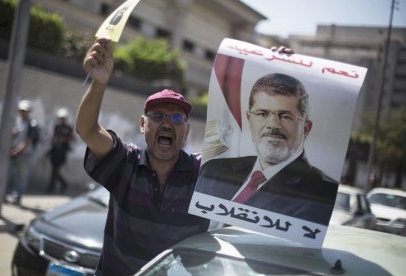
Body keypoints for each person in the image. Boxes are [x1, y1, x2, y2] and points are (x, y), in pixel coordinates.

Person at [77, 37, 294, 275]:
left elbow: (265, 152)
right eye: (158, 116)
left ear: (187, 131)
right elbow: (87, 130)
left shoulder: (204, 173)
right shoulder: (125, 163)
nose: (168, 123)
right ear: (142, 124)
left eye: (177, 118)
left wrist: (276, 72)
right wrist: (98, 83)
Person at [195, 73, 338, 225]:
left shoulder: (322, 192)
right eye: (262, 114)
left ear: (306, 129)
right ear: (249, 120)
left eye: (286, 116)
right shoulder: (213, 170)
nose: (273, 124)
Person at [8, 100, 38, 205]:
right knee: (9, 174)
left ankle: (17, 197)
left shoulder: (32, 124)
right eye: (21, 110)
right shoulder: (17, 122)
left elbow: (28, 141)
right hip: (13, 152)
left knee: (21, 176)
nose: (23, 113)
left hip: (24, 154)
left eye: (25, 111)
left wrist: (16, 151)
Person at [47, 108, 74, 193]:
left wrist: (64, 139)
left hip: (62, 152)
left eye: (63, 118)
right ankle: (57, 186)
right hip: (55, 151)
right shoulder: (57, 127)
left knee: (56, 170)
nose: (62, 120)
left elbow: (72, 139)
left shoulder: (69, 128)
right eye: (61, 118)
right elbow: (54, 137)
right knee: (54, 170)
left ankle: (56, 186)